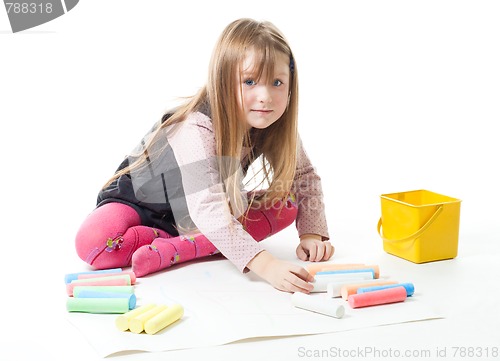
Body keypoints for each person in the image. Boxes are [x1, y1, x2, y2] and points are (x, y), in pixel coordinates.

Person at [75, 18, 334, 293]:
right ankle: (197, 242)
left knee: (288, 202)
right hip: (141, 206)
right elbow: (207, 206)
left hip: (203, 215)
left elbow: (304, 176)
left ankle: (181, 248)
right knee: (92, 241)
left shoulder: (273, 123)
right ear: (222, 82)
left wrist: (311, 234)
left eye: (277, 82)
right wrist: (267, 265)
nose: (265, 96)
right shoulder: (196, 125)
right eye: (249, 81)